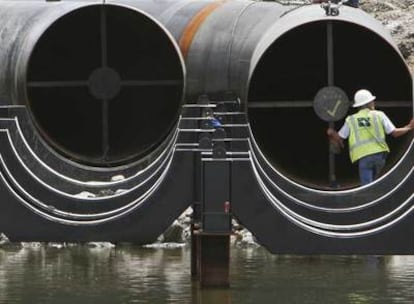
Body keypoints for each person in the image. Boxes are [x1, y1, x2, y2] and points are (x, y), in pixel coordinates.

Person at [327, 89, 414, 185]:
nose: (373, 103)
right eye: (372, 101)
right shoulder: (379, 115)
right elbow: (394, 133)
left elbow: (340, 137)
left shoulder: (351, 120)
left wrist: (331, 133)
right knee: (378, 184)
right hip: (380, 157)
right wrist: (408, 127)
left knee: (367, 186)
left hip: (363, 157)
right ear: (369, 103)